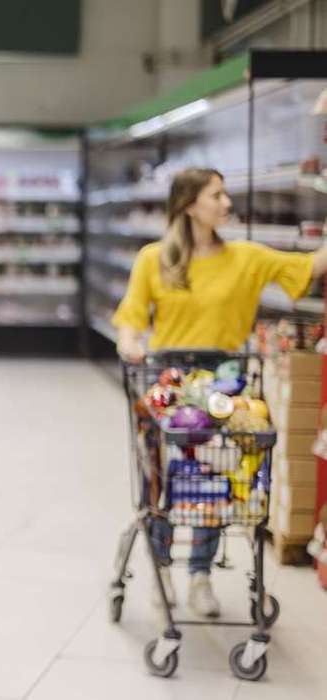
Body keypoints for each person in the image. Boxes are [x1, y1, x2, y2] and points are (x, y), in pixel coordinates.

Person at [113, 167, 327, 617]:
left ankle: (200, 575)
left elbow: (309, 265)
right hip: (168, 384)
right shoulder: (155, 259)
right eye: (218, 195)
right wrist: (131, 345)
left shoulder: (246, 258)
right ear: (191, 203)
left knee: (213, 481)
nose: (227, 203)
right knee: (162, 481)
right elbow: (131, 321)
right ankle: (164, 568)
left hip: (225, 385)